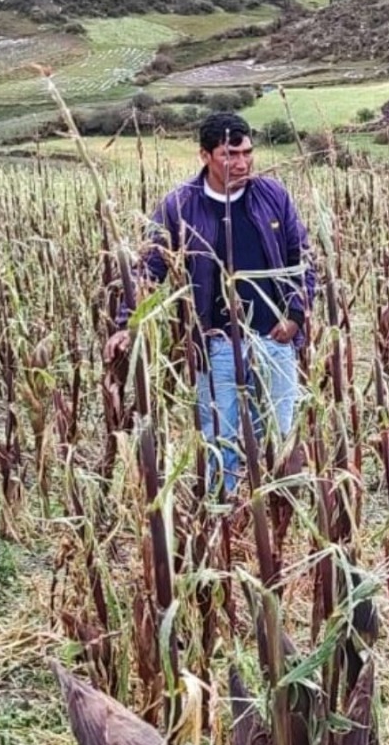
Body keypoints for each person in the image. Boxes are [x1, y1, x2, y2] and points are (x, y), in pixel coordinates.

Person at [108, 112, 314, 497]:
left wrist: (296, 317)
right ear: (204, 155)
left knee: (279, 434)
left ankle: (279, 519)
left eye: (247, 153)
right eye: (229, 154)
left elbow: (302, 260)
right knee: (222, 439)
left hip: (275, 339)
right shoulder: (179, 206)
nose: (241, 163)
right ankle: (225, 519)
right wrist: (126, 323)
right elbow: (149, 269)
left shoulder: (273, 196)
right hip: (216, 344)